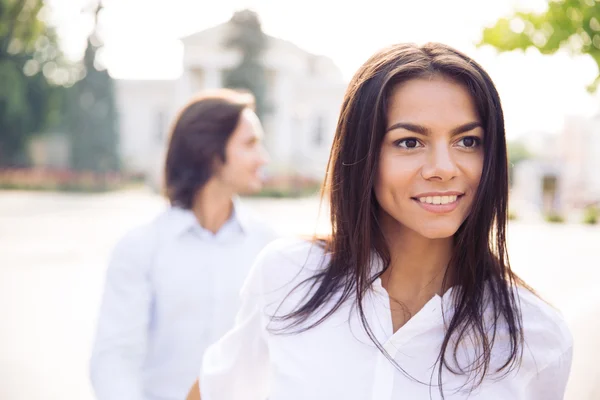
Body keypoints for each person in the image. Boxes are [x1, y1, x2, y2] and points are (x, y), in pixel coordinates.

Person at [186, 43, 574, 400]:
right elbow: (215, 388)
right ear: (362, 154)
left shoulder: (535, 336)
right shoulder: (288, 275)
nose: (443, 168)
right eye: (409, 142)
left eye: (467, 141)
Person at [90, 89, 277, 400]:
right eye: (250, 144)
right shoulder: (141, 248)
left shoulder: (267, 244)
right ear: (211, 152)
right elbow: (115, 359)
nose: (263, 158)